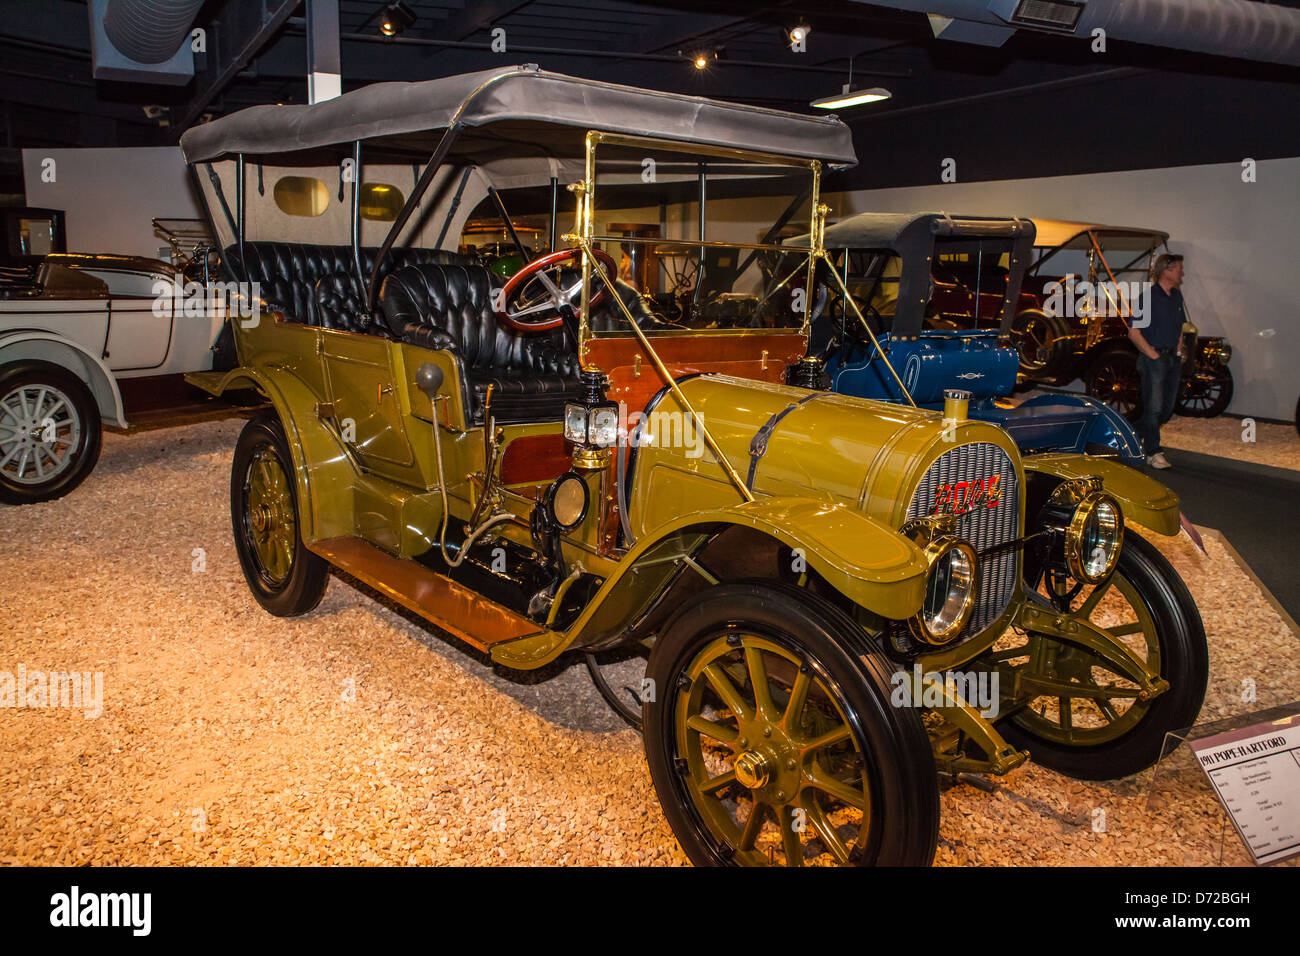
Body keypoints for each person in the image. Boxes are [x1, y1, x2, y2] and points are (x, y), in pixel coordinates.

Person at [1130, 253, 1186, 469]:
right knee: (1153, 409)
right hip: (1154, 360)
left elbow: (1181, 326)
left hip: (1173, 359)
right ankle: (1154, 452)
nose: (1182, 272)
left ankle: (1130, 436)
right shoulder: (1148, 297)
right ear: (1167, 270)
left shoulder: (1177, 297)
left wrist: (1179, 351)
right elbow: (1134, 332)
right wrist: (1153, 355)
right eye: (1179, 268)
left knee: (1166, 409)